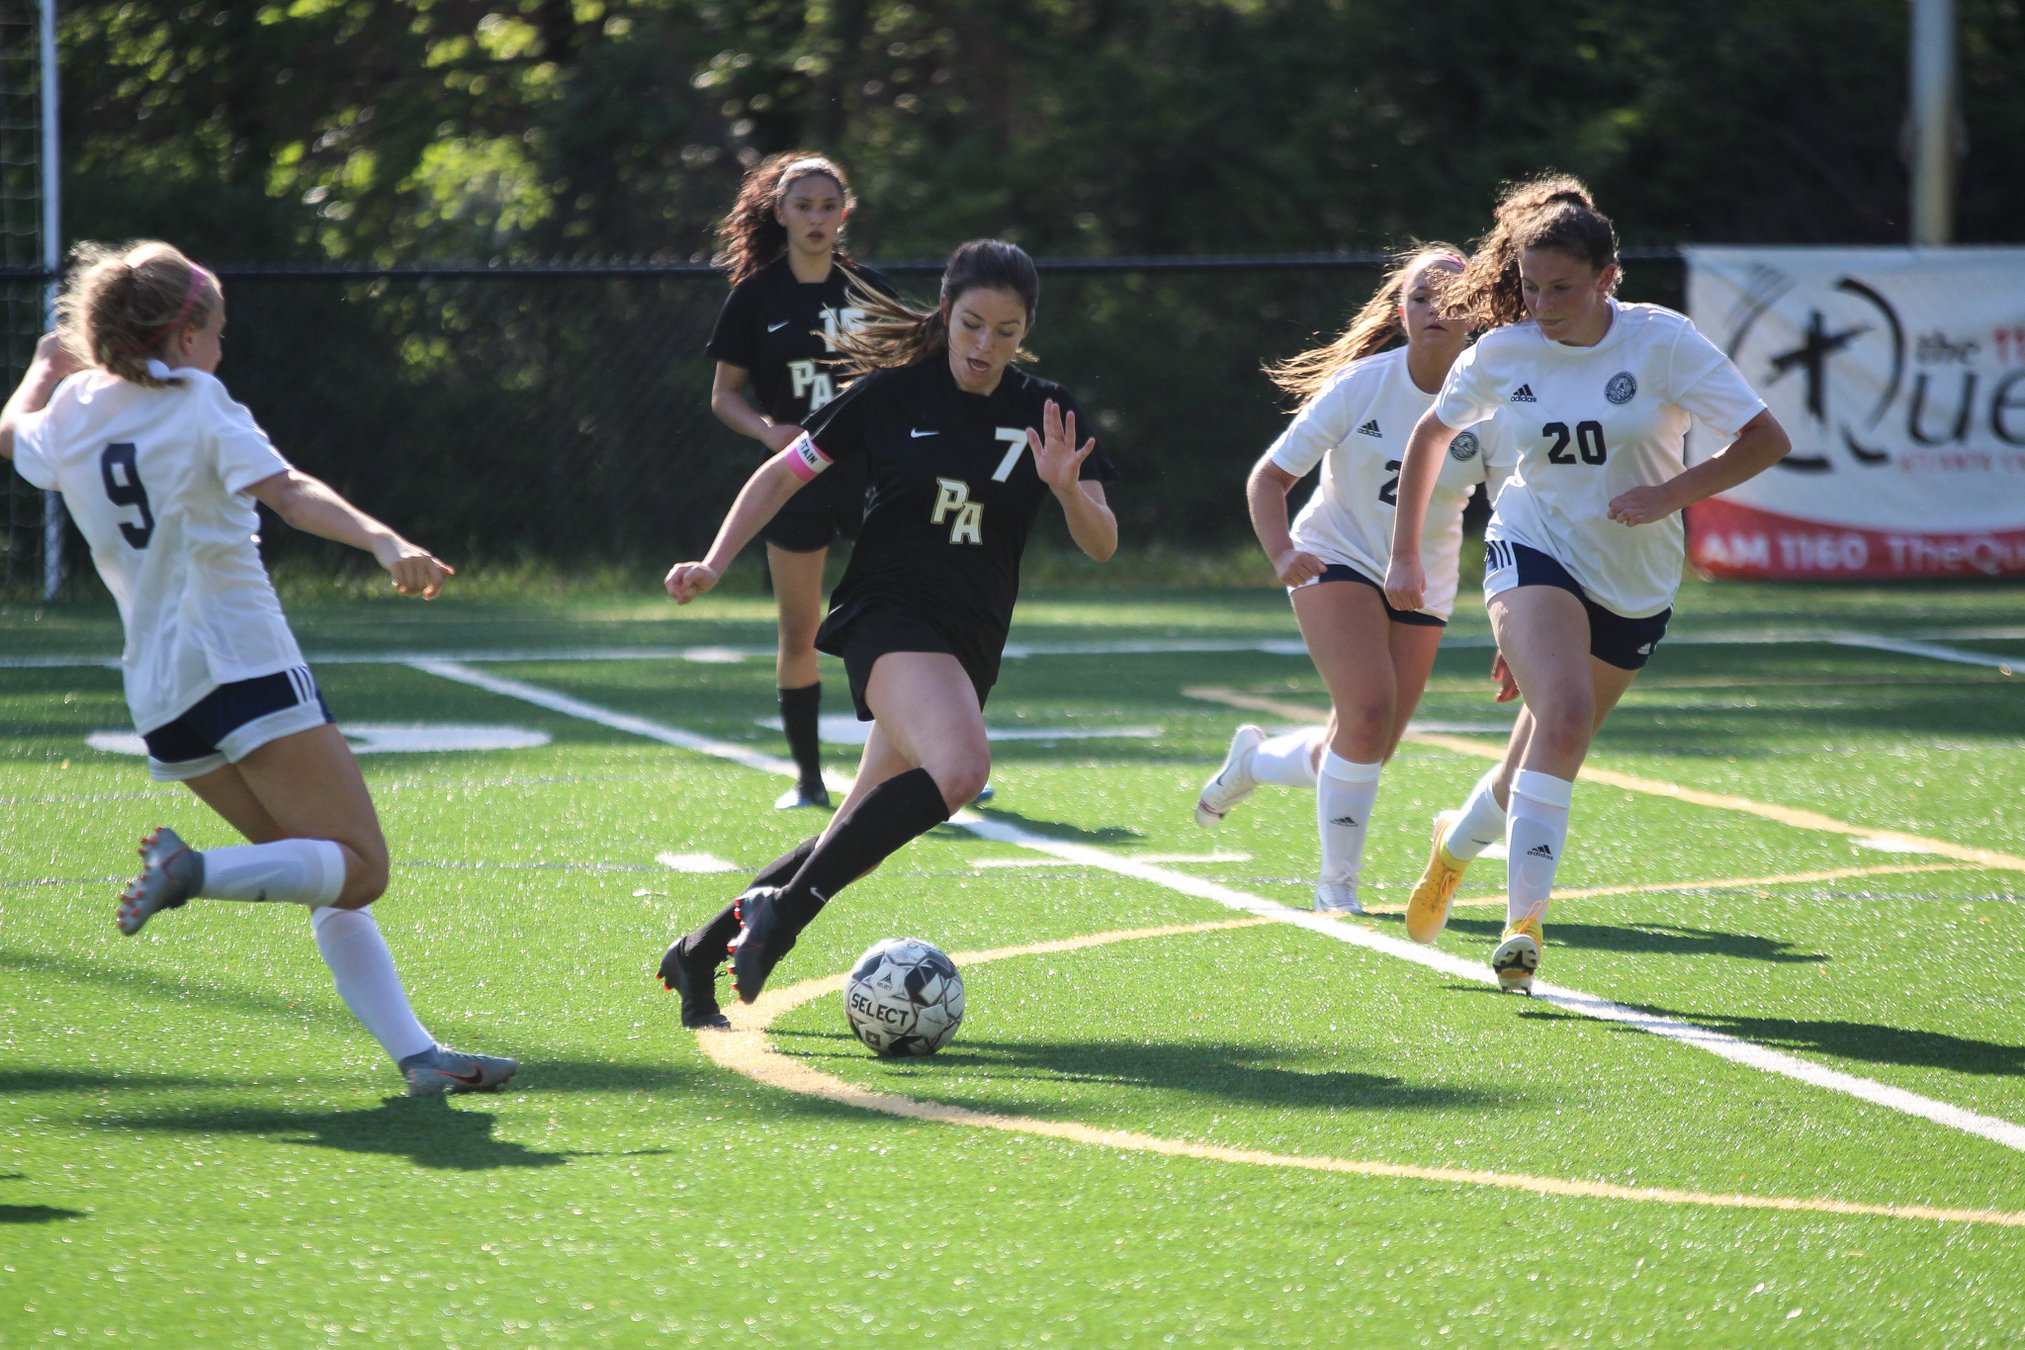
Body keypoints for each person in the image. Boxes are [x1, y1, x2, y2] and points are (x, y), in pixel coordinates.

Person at [0, 240, 517, 1095]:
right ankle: (189, 872)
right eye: (218, 334)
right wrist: (385, 540)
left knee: (319, 871)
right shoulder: (197, 399)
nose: (221, 351)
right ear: (185, 332)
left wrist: (42, 366)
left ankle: (419, 1058)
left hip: (161, 694)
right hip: (240, 661)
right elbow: (287, 490)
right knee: (362, 866)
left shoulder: (77, 409)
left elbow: (14, 433)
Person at [655, 239, 1117, 1027]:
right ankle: (784, 921)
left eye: (1006, 332)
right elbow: (779, 476)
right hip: (889, 617)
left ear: (1025, 331)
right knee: (963, 767)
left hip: (970, 640)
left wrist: (1068, 492)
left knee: (856, 837)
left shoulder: (1046, 410)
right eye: (972, 324)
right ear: (946, 313)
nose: (984, 346)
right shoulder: (889, 396)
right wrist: (714, 559)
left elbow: (1101, 542)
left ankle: (698, 953)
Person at [1384, 176, 1790, 993]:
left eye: (1560, 287)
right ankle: (1521, 928)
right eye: (1529, 286)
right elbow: (1431, 435)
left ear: (1608, 276)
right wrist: (1404, 556)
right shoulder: (1501, 351)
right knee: (1562, 712)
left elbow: (1763, 439)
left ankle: (1452, 849)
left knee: (1543, 752)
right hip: (1532, 544)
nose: (1540, 303)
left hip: (1634, 580)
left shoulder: (1662, 343)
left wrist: (1670, 494)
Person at [1193, 246, 1515, 917]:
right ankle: (1336, 887)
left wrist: (1513, 621)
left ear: (1478, 312)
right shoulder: (1362, 384)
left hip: (1421, 580)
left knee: (1368, 741)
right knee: (1366, 715)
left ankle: (1252, 763)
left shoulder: (1493, 403)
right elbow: (1269, 478)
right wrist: (1281, 552)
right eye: (1420, 297)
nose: (1435, 309)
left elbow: (1513, 515)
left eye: (1452, 298)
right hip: (1332, 555)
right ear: (1401, 313)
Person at [703, 151, 892, 810]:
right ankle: (809, 779)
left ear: (845, 213)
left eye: (826, 205)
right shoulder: (755, 296)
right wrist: (766, 431)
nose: (816, 218)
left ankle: (932, 755)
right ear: (778, 212)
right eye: (802, 205)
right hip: (796, 480)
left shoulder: (871, 289)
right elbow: (724, 396)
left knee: (900, 618)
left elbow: (912, 379)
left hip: (873, 477)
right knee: (799, 629)